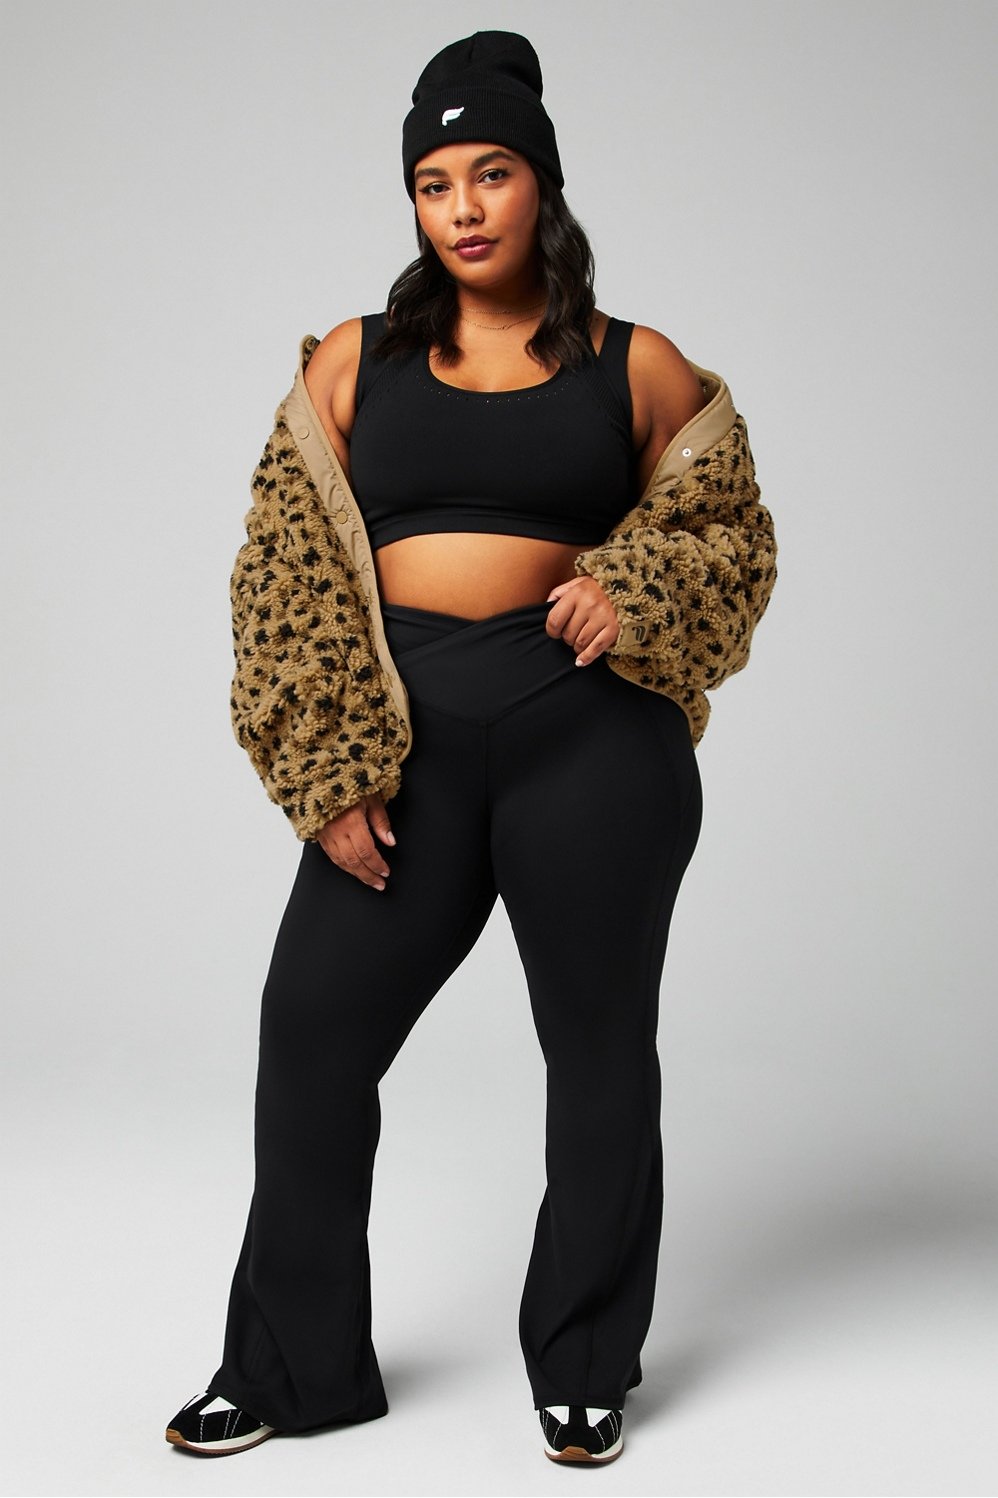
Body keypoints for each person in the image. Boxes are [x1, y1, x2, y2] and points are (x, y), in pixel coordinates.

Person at [165, 30, 777, 1467]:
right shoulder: (353, 361)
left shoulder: (635, 364)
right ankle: (291, 1365)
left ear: (539, 184)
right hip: (406, 745)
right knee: (311, 1037)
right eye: (434, 183)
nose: (463, 207)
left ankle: (584, 1361)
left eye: (490, 172)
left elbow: (732, 536)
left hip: (589, 737)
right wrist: (326, 770)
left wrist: (635, 588)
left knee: (598, 1050)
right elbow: (278, 576)